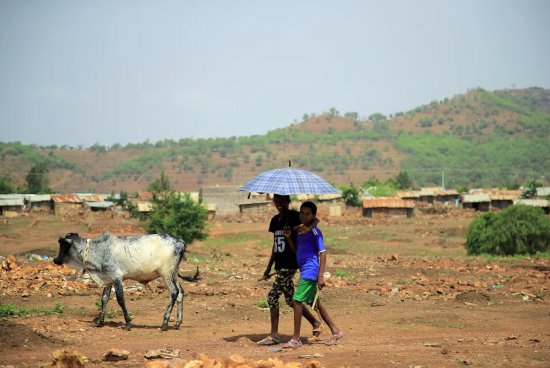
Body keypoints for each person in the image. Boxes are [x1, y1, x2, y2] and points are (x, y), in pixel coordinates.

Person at [257, 194, 322, 346]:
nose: (279, 203)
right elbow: (275, 245)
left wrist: (307, 229)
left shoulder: (294, 216)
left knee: (272, 297)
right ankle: (315, 323)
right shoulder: (275, 221)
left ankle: (274, 335)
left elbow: (316, 220)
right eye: (276, 200)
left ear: (288, 201)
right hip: (279, 265)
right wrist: (268, 267)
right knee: (291, 300)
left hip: (290, 263)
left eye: (282, 200)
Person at [283, 201, 343, 349]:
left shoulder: (315, 232)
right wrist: (289, 238)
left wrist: (321, 275)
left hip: (311, 269)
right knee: (315, 304)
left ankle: (296, 338)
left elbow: (322, 254)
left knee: (297, 301)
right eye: (302, 213)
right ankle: (336, 331)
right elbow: (297, 251)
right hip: (304, 269)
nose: (304, 216)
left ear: (313, 215)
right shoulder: (299, 232)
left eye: (308, 213)